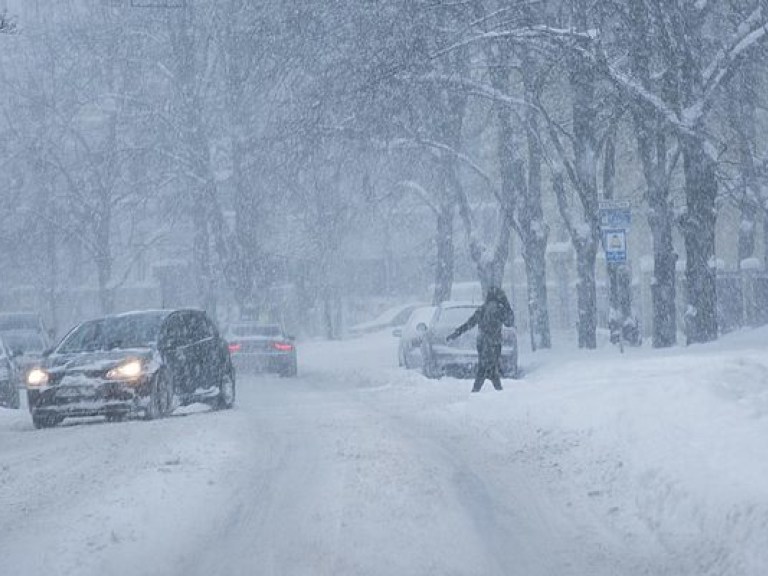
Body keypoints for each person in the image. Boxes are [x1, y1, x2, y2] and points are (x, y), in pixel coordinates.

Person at [447, 287, 515, 392]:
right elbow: (510, 322)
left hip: (482, 343)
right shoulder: (500, 310)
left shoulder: (482, 309)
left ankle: (485, 390)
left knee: (486, 367)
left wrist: (455, 334)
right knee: (488, 368)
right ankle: (485, 391)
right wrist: (507, 304)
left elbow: (469, 324)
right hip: (495, 343)